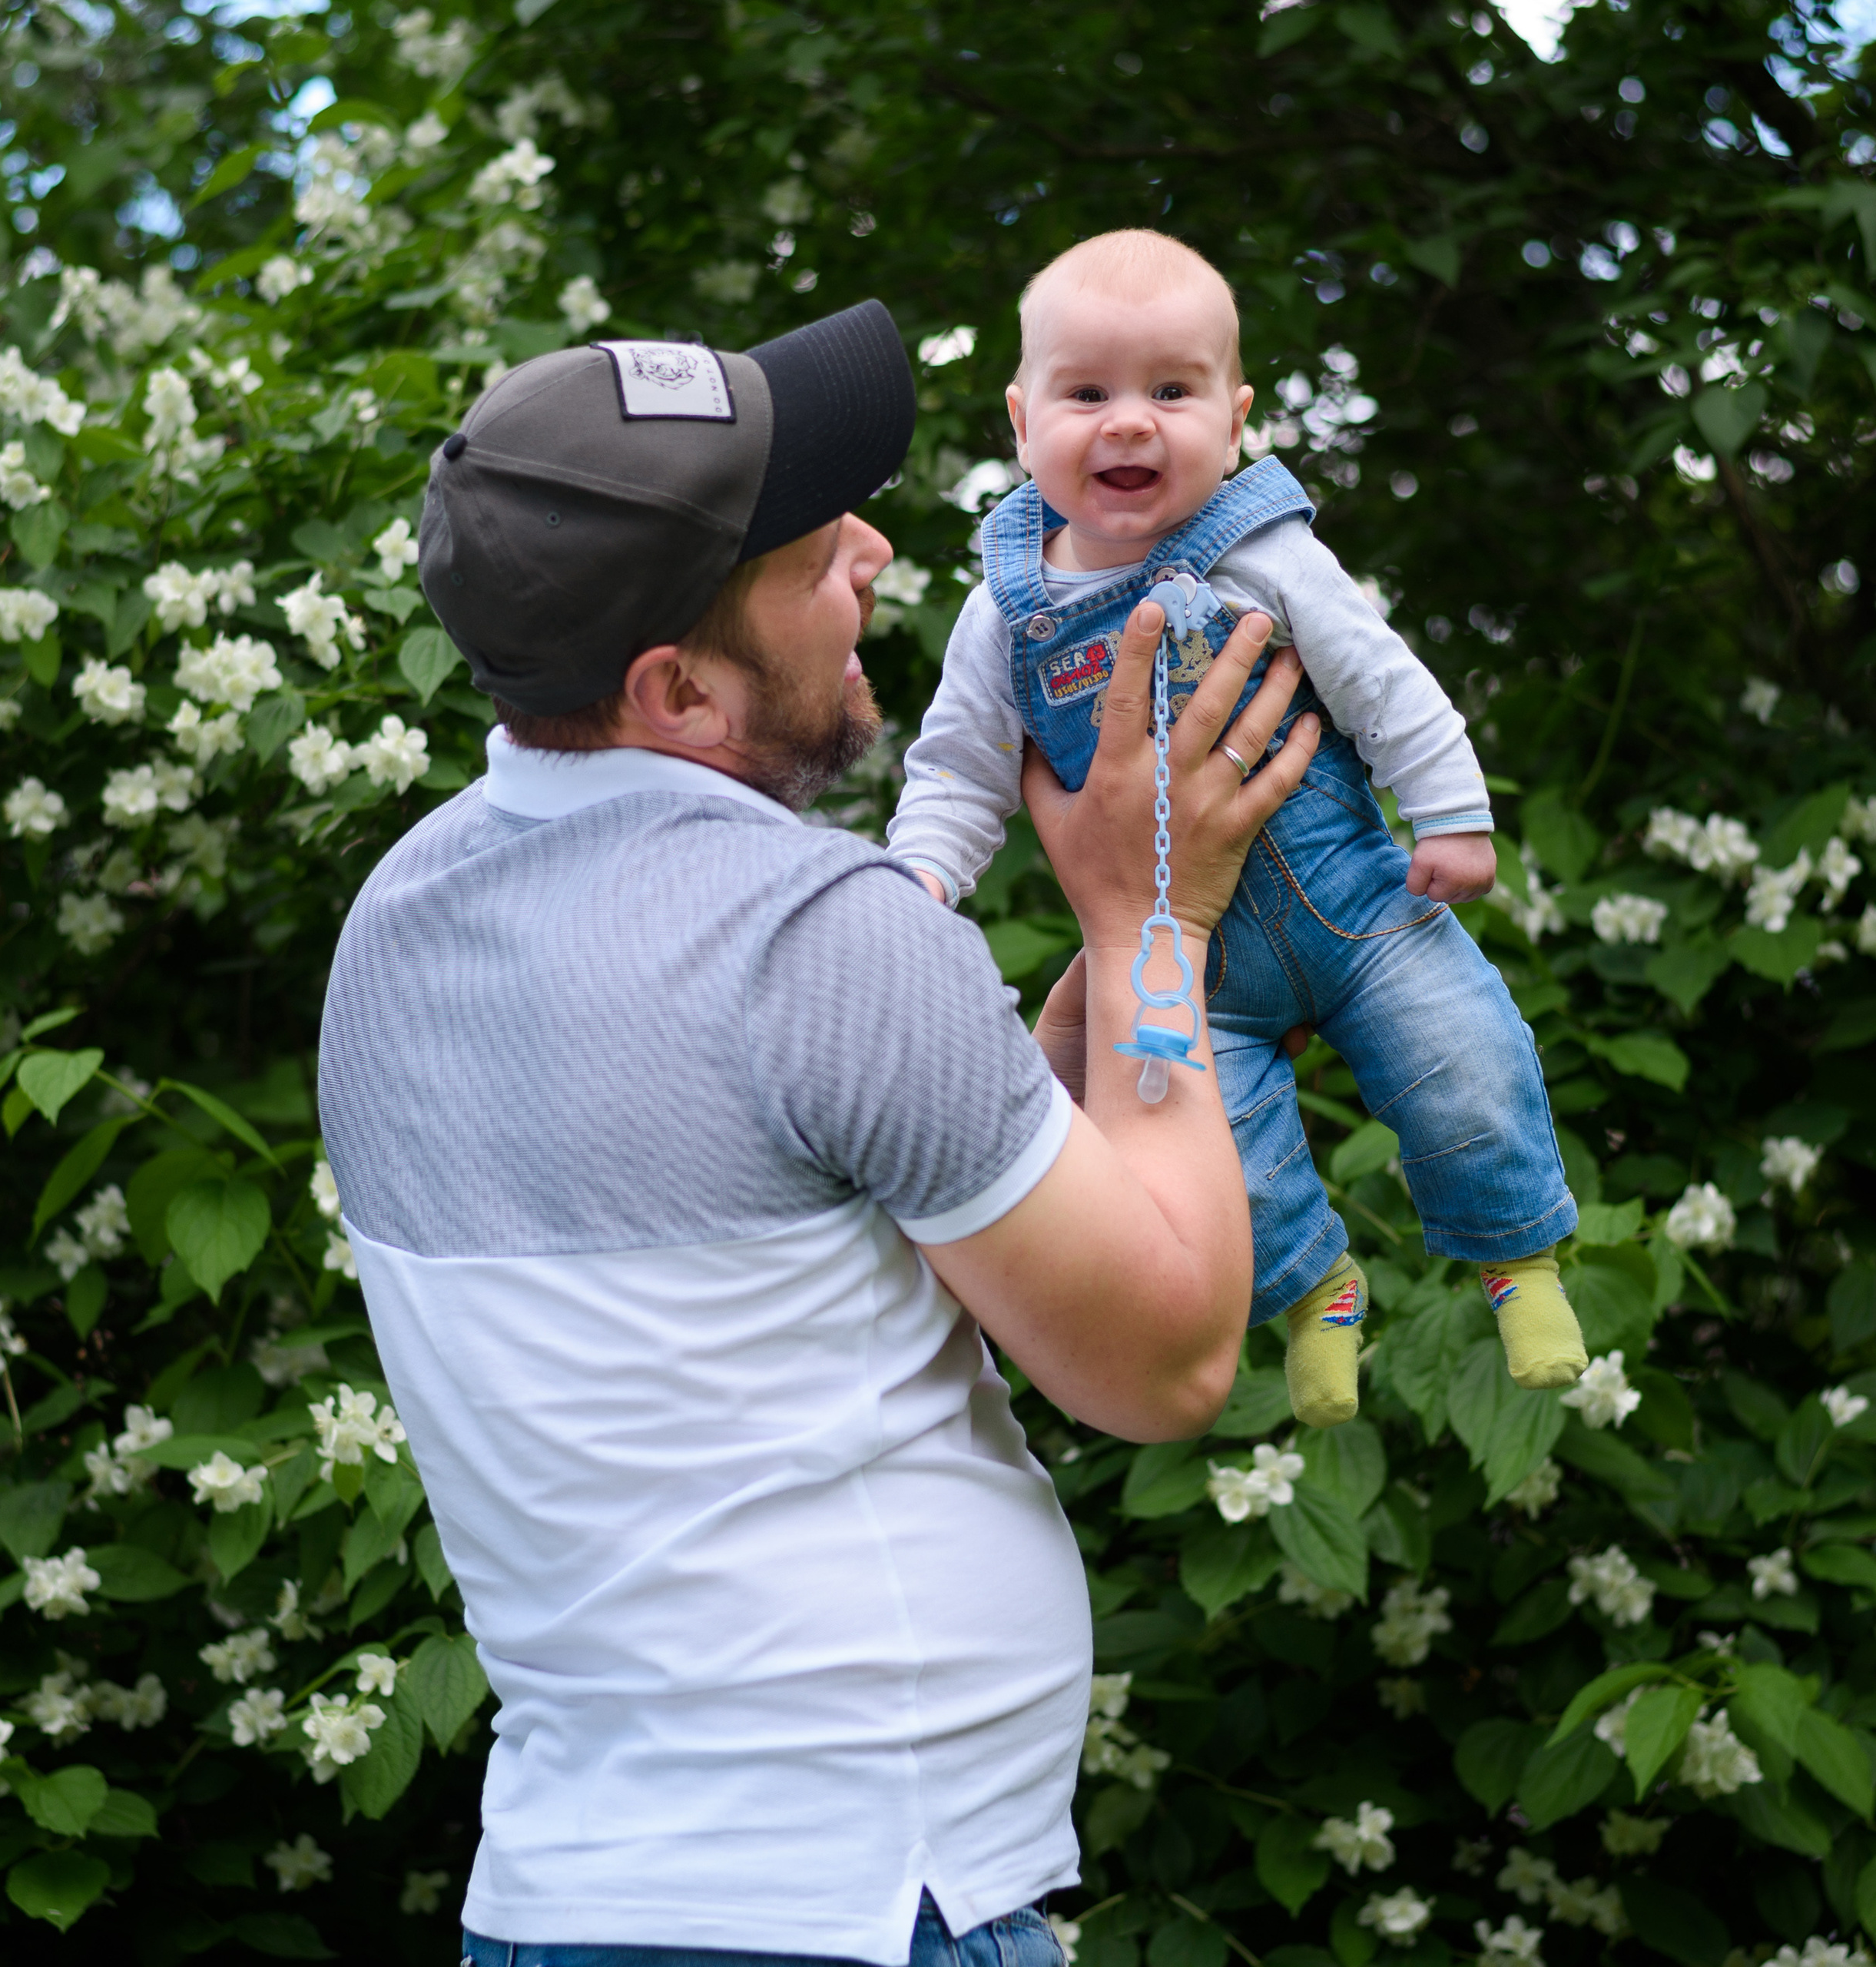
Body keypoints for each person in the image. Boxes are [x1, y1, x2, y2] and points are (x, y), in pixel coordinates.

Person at [317, 300, 1320, 1967]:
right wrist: (1157, 929)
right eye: (805, 553)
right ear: (679, 687)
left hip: (572, 1901)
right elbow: (1164, 1358)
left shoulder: (403, 916)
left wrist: (1094, 950)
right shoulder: (811, 935)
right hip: (852, 1911)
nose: (871, 548)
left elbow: (794, 1225)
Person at [885, 231, 1587, 1428]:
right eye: (1088, 392)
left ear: (1236, 412)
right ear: (1021, 417)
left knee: (1463, 1062)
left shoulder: (1265, 552)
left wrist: (1453, 813)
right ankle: (1316, 1289)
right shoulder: (1003, 612)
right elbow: (958, 766)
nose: (1129, 423)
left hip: (1358, 901)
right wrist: (919, 879)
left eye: (1172, 390)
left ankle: (1518, 1259)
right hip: (1184, 962)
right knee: (1219, 1165)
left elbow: (1379, 679)